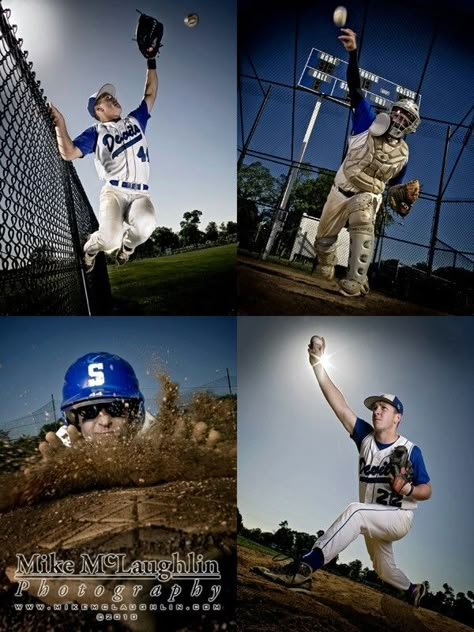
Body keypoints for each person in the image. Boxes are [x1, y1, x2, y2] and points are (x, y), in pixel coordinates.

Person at [253, 335, 431, 608]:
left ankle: (303, 569)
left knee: (356, 511)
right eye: (374, 407)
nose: (376, 411)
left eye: (384, 407)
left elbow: (426, 490)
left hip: (398, 516)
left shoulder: (410, 449)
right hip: (374, 517)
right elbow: (339, 404)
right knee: (383, 569)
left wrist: (407, 489)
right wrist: (316, 364)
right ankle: (413, 590)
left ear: (398, 417)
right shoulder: (365, 437)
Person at [314, 28, 421, 297]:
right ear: (390, 111)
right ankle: (326, 261)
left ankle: (355, 278)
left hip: (367, 195)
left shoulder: (403, 155)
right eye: (397, 111)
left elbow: (393, 185)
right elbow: (355, 87)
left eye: (406, 116)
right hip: (340, 191)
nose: (399, 118)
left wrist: (401, 198)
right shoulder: (367, 122)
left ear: (411, 125)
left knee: (364, 221)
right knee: (323, 241)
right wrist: (353, 54)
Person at [49, 52, 158, 272]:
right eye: (106, 98)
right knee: (109, 241)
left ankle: (127, 249)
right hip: (114, 193)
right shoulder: (96, 132)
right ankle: (90, 249)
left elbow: (150, 92)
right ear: (99, 110)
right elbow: (69, 153)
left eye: (111, 96)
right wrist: (60, 124)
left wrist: (151, 60)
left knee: (147, 225)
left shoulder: (135, 120)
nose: (113, 98)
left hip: (140, 194)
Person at [40, 352, 148, 458]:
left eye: (116, 408)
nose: (105, 421)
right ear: (75, 422)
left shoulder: (155, 444)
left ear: (133, 415)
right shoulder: (64, 460)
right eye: (90, 410)